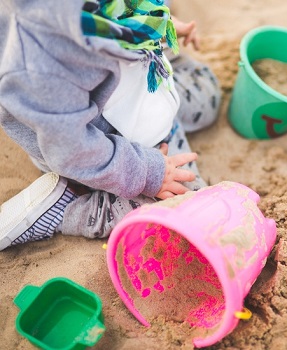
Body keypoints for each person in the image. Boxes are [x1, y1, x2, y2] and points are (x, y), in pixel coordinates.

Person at [0, 0, 221, 251]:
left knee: (209, 95)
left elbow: (126, 9)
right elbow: (73, 151)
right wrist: (149, 172)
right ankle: (67, 207)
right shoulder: (39, 62)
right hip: (108, 150)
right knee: (188, 206)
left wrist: (157, 25)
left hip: (140, 91)